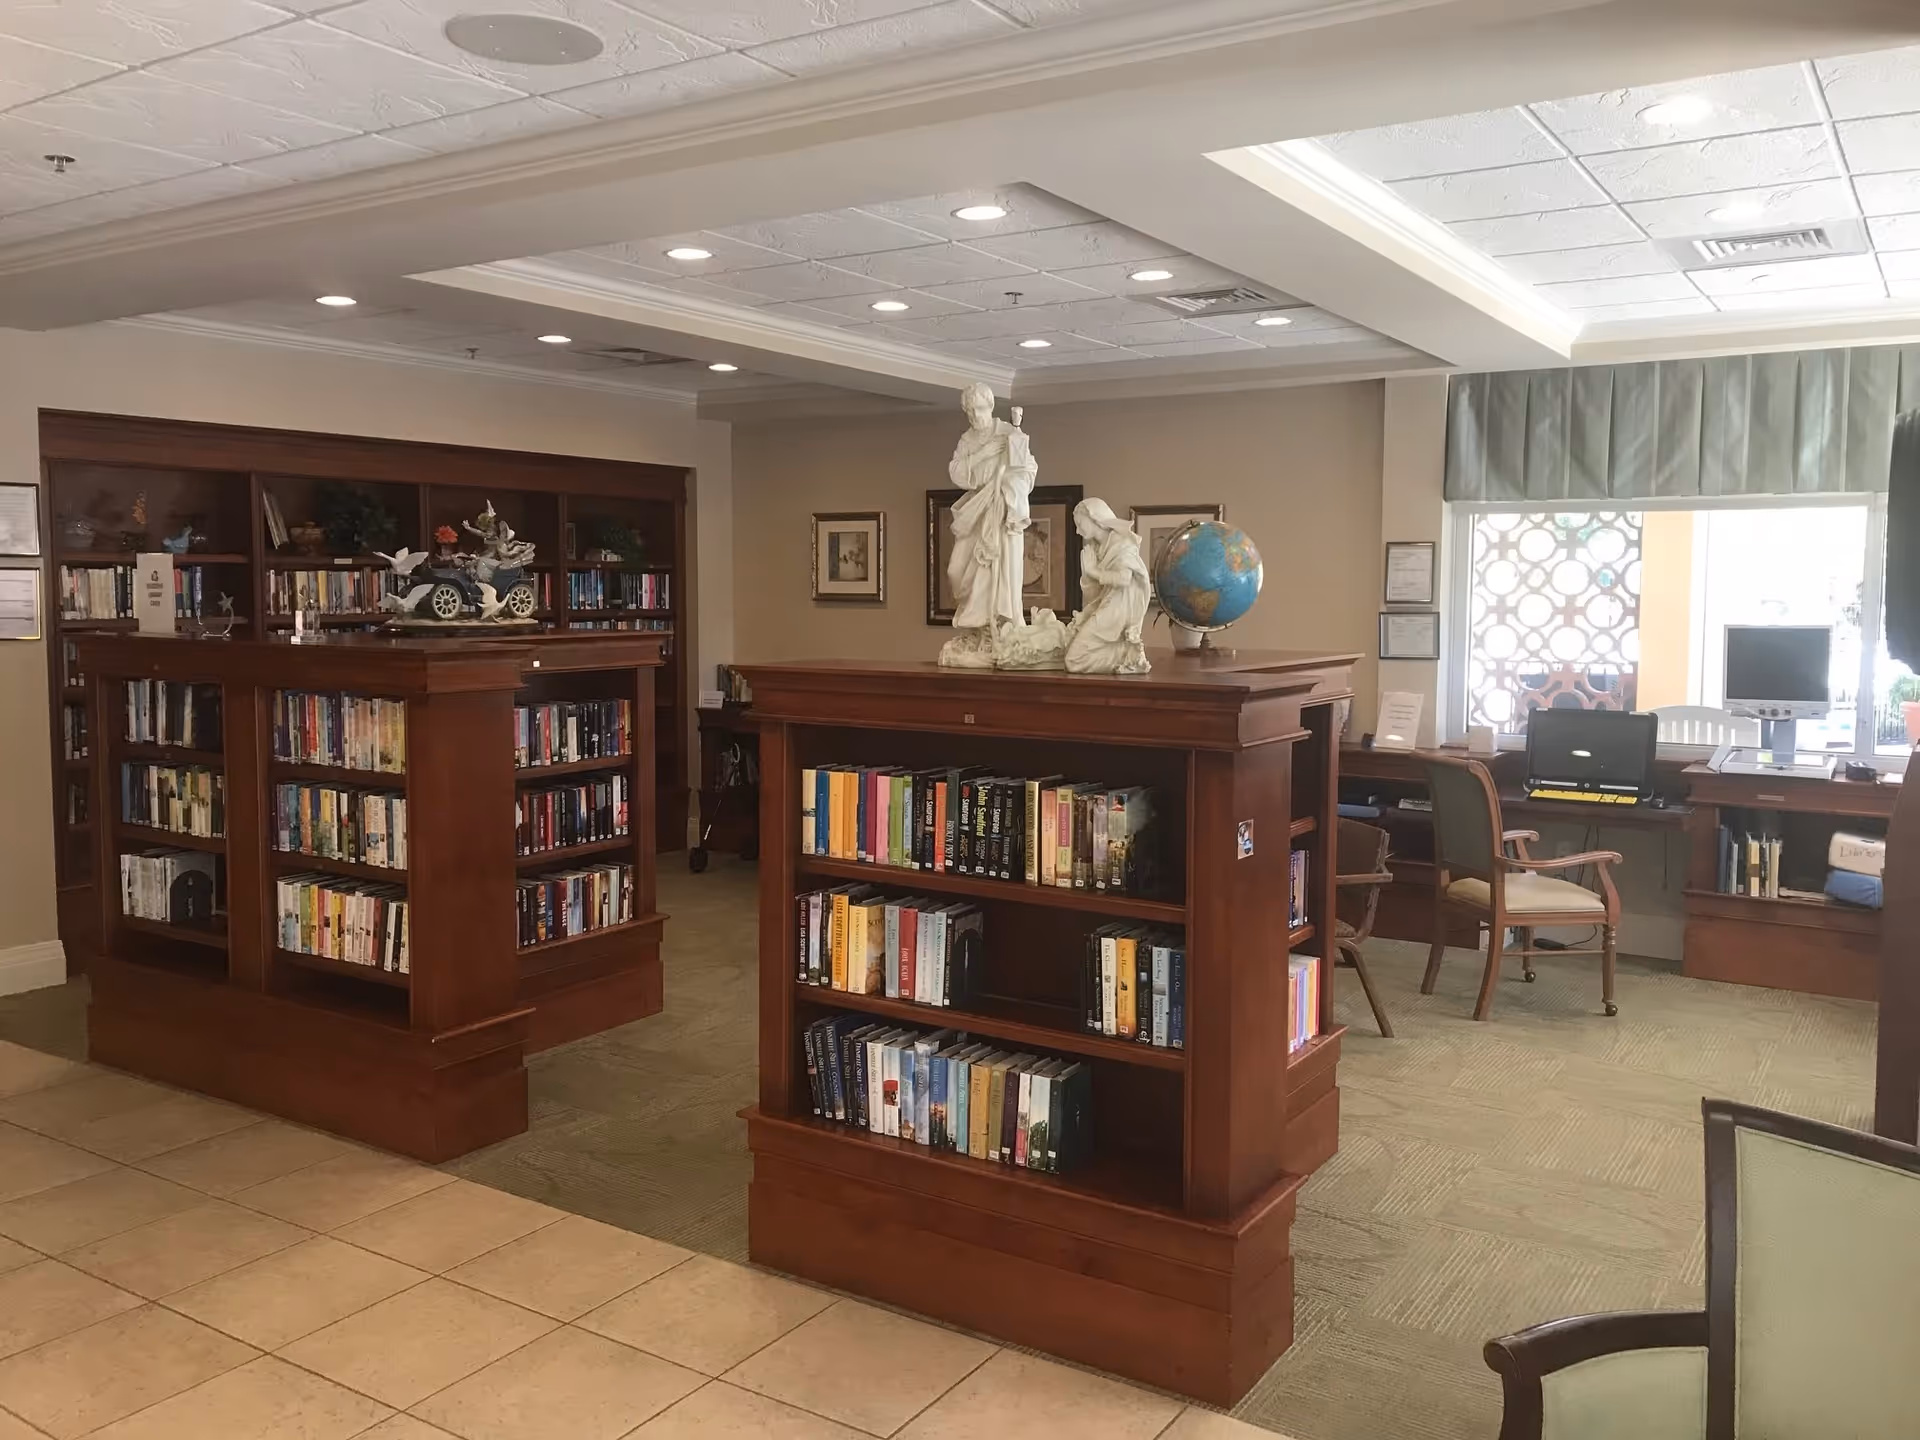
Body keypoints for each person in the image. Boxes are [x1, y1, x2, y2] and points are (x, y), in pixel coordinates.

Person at [941, 384, 1036, 666]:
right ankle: (976, 630)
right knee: (956, 571)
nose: (974, 416)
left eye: (979, 409)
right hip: (976, 510)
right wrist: (985, 453)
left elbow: (1027, 471)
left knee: (995, 574)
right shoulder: (967, 439)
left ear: (990, 407)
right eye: (969, 411)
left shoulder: (1008, 432)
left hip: (1000, 510)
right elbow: (958, 473)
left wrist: (1008, 492)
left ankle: (989, 630)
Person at [1064, 498, 1151, 675]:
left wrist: (1093, 571)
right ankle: (1126, 653)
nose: (1078, 530)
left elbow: (1124, 578)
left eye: (1080, 524)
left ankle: (1129, 654)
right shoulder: (1098, 548)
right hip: (1107, 603)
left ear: (1094, 518)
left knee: (1074, 660)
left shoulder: (1122, 543)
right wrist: (1089, 574)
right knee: (1071, 650)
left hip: (1119, 607)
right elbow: (1095, 589)